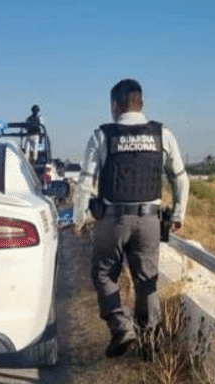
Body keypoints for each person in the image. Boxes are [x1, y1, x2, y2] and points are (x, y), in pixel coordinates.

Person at [71, 78, 190, 359]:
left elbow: (86, 181)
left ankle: (122, 327)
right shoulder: (163, 134)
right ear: (142, 103)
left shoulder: (102, 136)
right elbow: (181, 179)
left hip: (112, 220)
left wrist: (80, 218)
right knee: (146, 281)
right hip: (150, 221)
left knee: (103, 273)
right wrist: (178, 214)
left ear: (115, 106)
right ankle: (149, 342)